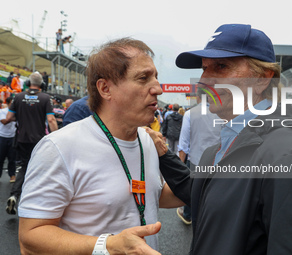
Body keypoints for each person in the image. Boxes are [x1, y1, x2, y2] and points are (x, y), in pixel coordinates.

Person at [147, 24, 292, 254]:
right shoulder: (217, 149)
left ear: (263, 79)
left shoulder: (286, 152)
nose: (204, 80)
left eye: (221, 67)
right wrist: (164, 154)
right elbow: (199, 191)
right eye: (205, 69)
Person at [18, 38, 183, 255]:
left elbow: (152, 195)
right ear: (105, 89)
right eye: (143, 78)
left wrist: (218, 178)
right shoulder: (59, 147)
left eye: (156, 77)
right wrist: (108, 246)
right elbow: (30, 237)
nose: (158, 89)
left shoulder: (146, 140)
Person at [1, 72, 58, 215]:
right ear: (42, 84)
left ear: (28, 83)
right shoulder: (45, 98)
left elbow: (9, 117)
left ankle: (14, 195)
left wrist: (21, 116)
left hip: (21, 139)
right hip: (38, 141)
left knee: (24, 166)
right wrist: (56, 137)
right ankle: (36, 202)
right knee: (41, 169)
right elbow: (51, 120)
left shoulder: (18, 97)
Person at [176, 89, 220, 225]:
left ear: (198, 97)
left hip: (195, 161)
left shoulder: (190, 114)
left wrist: (179, 168)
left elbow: (183, 145)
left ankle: (188, 215)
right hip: (218, 161)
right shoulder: (222, 113)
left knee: (193, 192)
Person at [0, 97, 16, 183]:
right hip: (2, 137)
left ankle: (12, 175)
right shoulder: (2, 111)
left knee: (12, 158)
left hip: (12, 137)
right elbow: (4, 121)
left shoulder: (16, 112)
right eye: (12, 103)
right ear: (8, 103)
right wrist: (14, 118)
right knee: (0, 158)